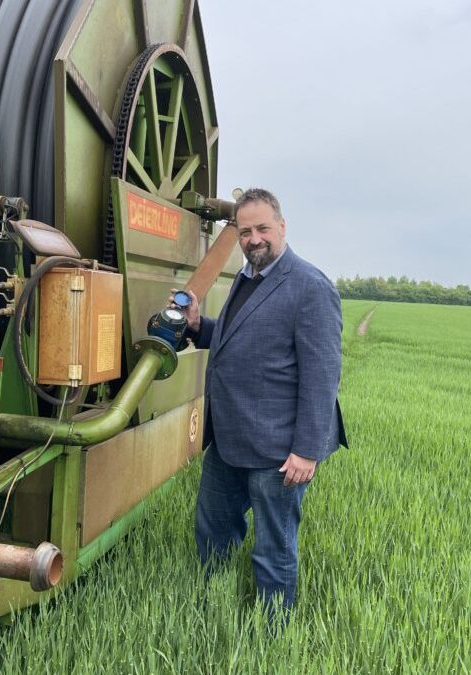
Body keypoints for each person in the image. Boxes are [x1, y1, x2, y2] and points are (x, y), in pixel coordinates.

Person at [172, 187, 347, 622]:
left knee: (273, 546)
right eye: (245, 231)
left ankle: (273, 633)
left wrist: (306, 451)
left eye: (262, 228)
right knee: (212, 533)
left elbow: (322, 376)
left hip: (277, 450)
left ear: (282, 227)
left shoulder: (310, 287)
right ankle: (212, 609)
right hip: (230, 439)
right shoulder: (248, 278)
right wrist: (198, 326)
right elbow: (238, 340)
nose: (253, 239)